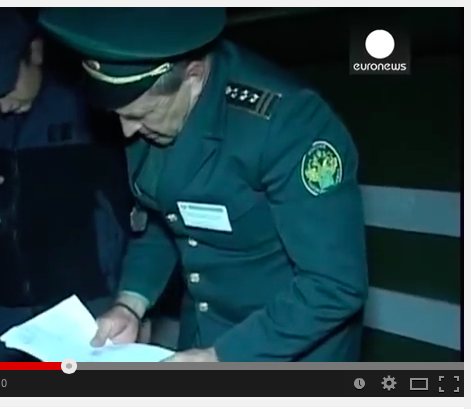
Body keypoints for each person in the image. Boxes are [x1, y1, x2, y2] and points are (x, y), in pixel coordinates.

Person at [38, 7, 369, 362]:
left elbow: (335, 285)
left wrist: (222, 357)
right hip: (203, 334)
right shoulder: (151, 116)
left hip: (286, 348)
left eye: (140, 115)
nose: (128, 131)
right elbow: (163, 215)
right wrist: (130, 304)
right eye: (118, 116)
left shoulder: (289, 125)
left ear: (193, 76)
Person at [0, 8, 133, 362]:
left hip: (85, 303)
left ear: (36, 51)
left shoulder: (89, 103)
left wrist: (131, 303)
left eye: (4, 85)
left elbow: (135, 205)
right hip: (8, 301)